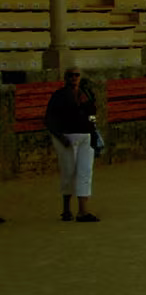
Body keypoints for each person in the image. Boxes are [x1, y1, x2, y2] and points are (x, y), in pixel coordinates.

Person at [44, 69, 100, 223]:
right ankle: (66, 209)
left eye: (77, 75)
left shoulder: (86, 93)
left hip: (85, 136)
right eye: (71, 75)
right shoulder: (59, 95)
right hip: (67, 137)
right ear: (65, 78)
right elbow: (49, 119)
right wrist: (60, 137)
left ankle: (82, 210)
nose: (74, 78)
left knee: (85, 172)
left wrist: (94, 132)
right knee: (68, 171)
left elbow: (93, 115)